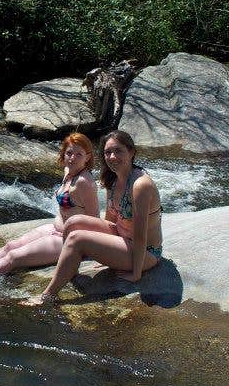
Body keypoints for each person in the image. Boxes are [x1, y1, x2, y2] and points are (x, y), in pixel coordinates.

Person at [22, 130, 163, 305]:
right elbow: (110, 221)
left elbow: (141, 235)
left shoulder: (141, 185)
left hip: (146, 252)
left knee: (77, 238)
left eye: (118, 151)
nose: (112, 157)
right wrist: (106, 249)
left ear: (132, 152)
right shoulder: (113, 179)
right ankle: (70, 270)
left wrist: (136, 273)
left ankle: (48, 296)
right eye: (107, 152)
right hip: (123, 239)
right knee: (73, 223)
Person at [0, 132, 99, 275]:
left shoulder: (85, 182)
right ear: (64, 153)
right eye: (69, 153)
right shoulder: (68, 172)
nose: (72, 158)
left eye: (79, 155)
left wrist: (84, 248)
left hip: (70, 240)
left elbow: (95, 220)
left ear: (87, 157)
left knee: (14, 257)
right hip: (55, 229)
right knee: (10, 246)